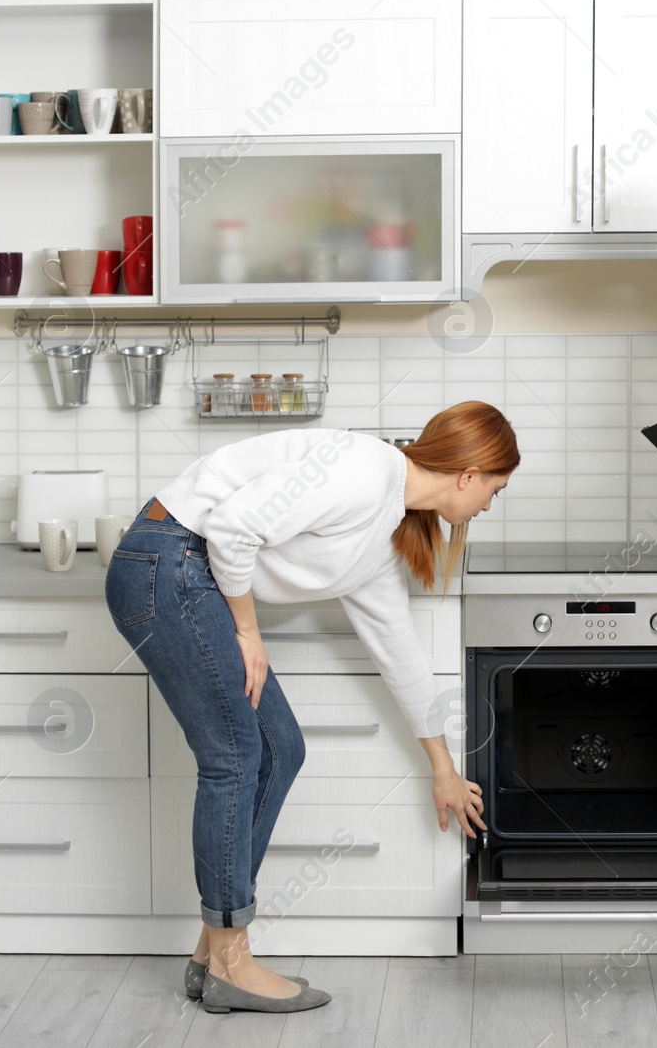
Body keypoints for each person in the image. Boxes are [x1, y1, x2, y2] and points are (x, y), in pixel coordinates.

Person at [104, 402, 518, 1015]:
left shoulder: (384, 532)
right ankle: (233, 964)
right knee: (237, 756)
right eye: (494, 489)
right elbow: (234, 527)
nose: (489, 505)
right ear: (469, 472)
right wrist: (249, 631)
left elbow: (398, 652)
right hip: (167, 561)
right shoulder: (363, 469)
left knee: (280, 750)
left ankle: (211, 953)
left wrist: (444, 768)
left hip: (190, 572)